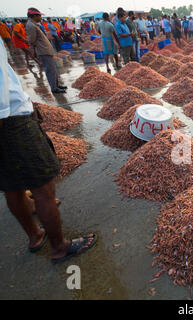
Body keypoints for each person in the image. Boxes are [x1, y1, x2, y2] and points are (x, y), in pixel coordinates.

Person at [0, 38, 97, 263]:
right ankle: (59, 247)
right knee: (43, 189)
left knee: (11, 187)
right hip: (12, 122)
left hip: (9, 120)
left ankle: (35, 236)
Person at [26, 9, 67, 94]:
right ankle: (54, 88)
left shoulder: (34, 24)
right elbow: (32, 40)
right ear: (34, 16)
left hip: (46, 49)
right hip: (43, 50)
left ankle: (56, 85)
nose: (41, 17)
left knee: (53, 69)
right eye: (39, 16)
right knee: (50, 70)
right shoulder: (31, 25)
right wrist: (34, 51)